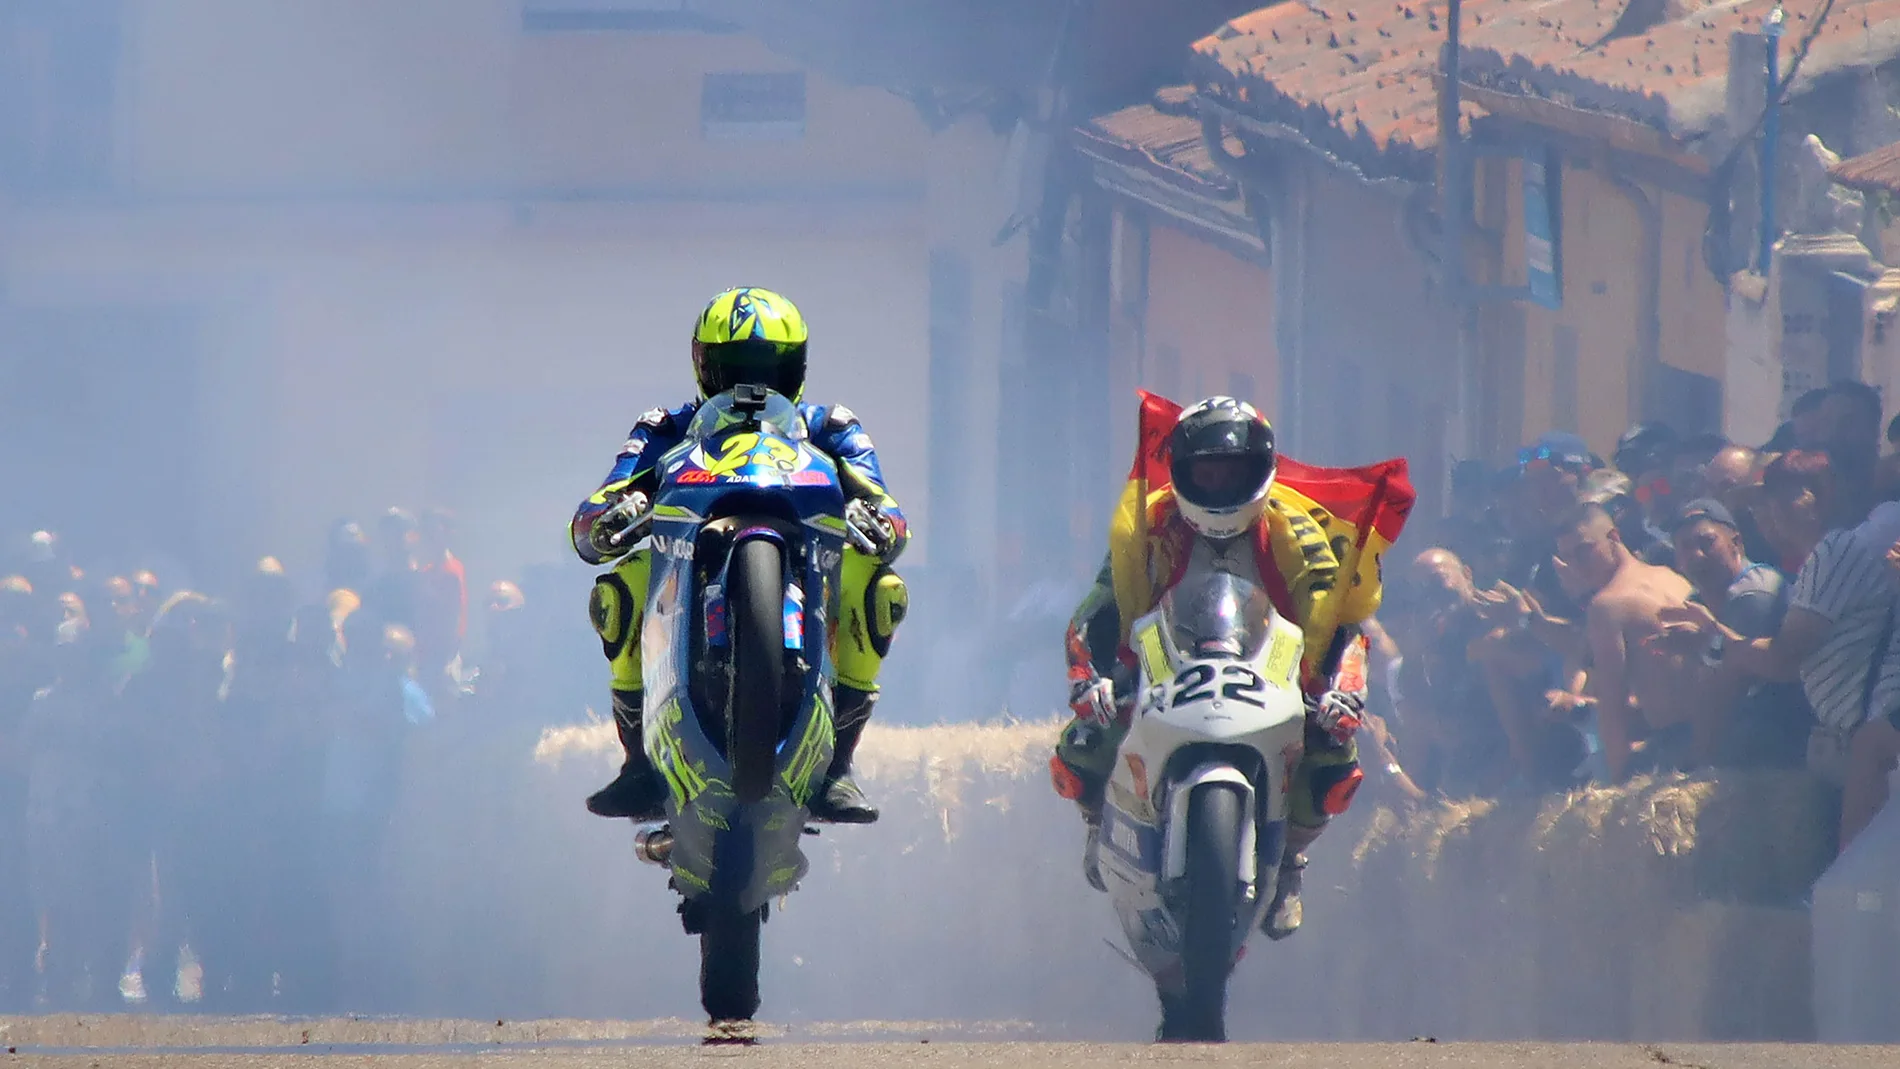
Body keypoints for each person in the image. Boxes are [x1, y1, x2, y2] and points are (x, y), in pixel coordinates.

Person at [568, 287, 909, 825]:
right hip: (690, 539)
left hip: (808, 543)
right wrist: (610, 515)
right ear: (706, 368)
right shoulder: (664, 426)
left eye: (769, 370)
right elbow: (600, 505)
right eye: (735, 370)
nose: (753, 387)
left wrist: (880, 520)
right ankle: (637, 763)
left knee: (880, 587)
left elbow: (885, 505)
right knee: (621, 586)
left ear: (796, 368)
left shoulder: (833, 426)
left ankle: (839, 765)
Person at [1050, 397, 1368, 942]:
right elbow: (1097, 609)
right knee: (1081, 743)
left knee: (1334, 758)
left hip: (1273, 668)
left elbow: (1341, 622)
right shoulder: (1146, 528)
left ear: (1262, 472)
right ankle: (1098, 820)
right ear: (1180, 473)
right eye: (1206, 472)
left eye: (1232, 473)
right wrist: (1089, 677)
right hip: (1161, 659)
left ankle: (1289, 858)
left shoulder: (1302, 534)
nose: (1219, 486)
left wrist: (1344, 689)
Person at [1552, 502, 1698, 781]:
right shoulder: (1670, 576)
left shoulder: (1607, 605)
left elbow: (1612, 704)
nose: (1577, 565)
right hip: (1710, 729)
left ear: (1614, 537)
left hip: (1674, 746)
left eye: (1584, 550)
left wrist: (1620, 783)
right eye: (1568, 558)